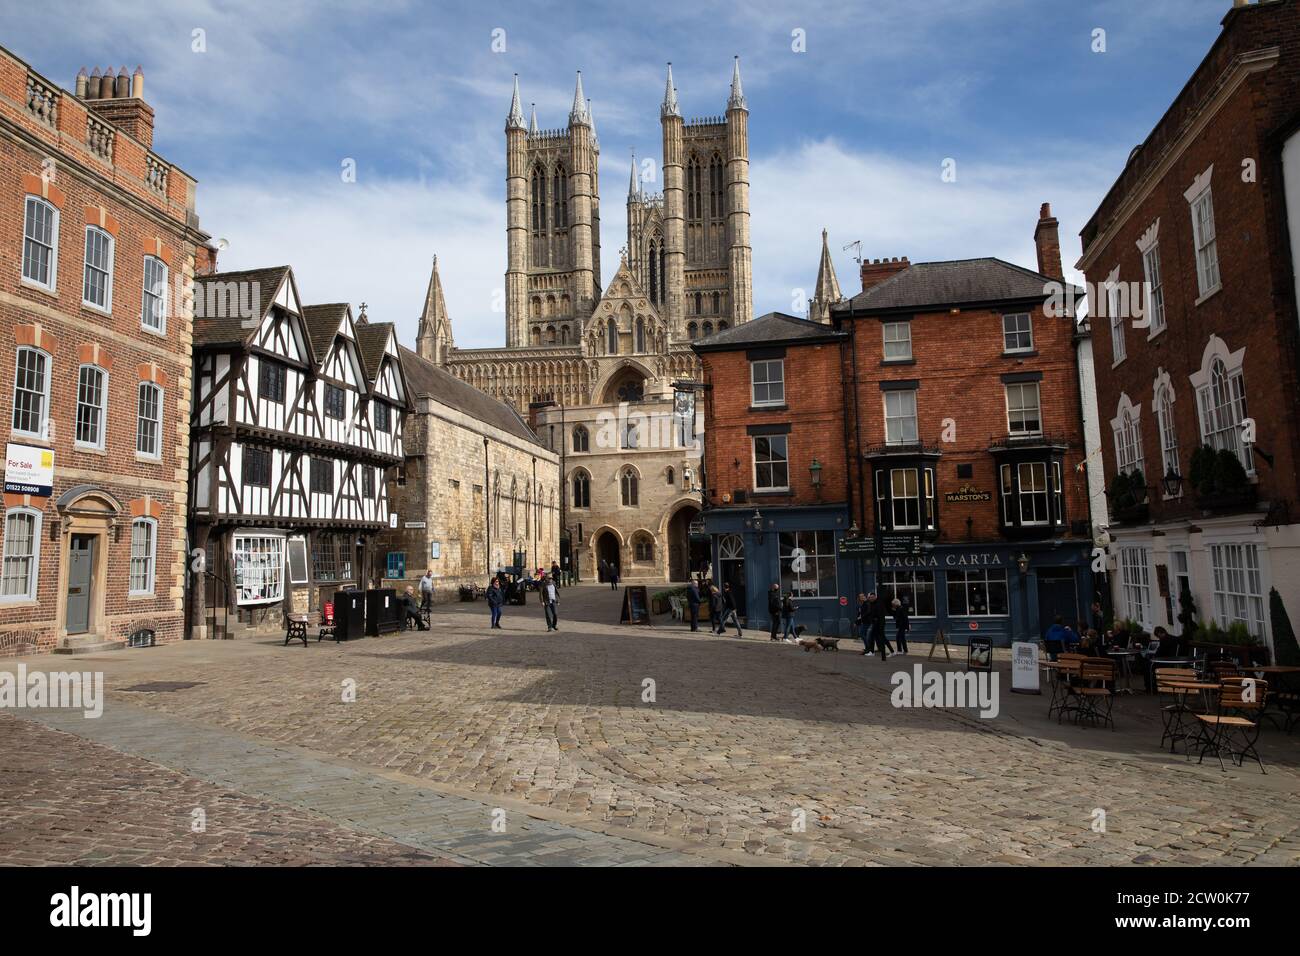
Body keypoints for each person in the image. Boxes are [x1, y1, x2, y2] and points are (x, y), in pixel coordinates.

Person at [869, 591, 892, 660]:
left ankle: (884, 655)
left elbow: (880, 615)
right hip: (875, 624)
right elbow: (871, 614)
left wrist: (878, 622)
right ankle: (872, 651)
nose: (871, 598)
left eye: (872, 597)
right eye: (870, 597)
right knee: (873, 637)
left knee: (881, 639)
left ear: (875, 597)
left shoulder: (878, 603)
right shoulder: (872, 604)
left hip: (879, 624)